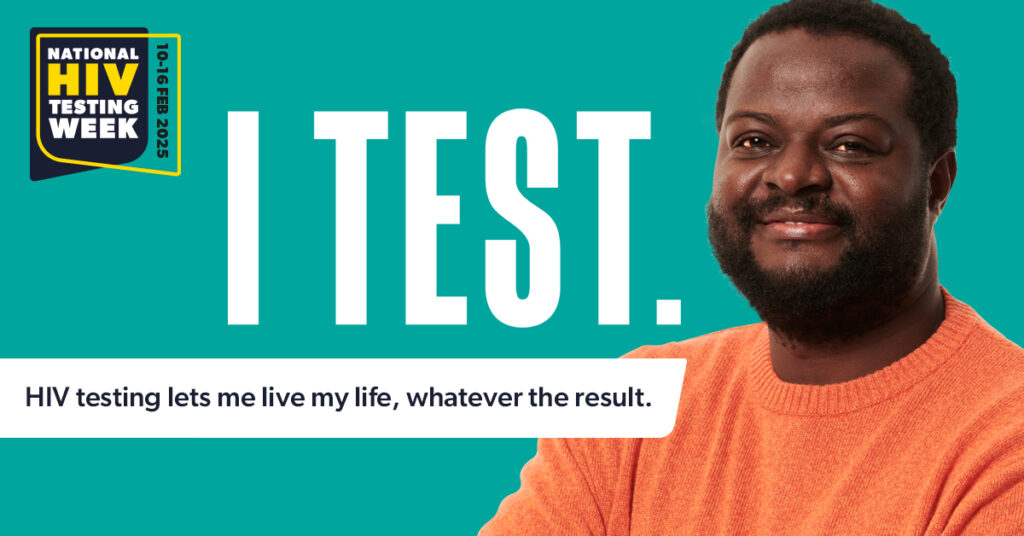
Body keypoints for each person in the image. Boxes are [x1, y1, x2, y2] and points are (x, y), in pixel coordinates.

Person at [480, 0, 1024, 534]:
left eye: (850, 145)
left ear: (937, 183)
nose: (792, 175)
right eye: (755, 140)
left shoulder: (1006, 437)